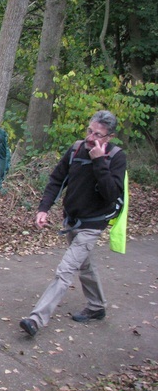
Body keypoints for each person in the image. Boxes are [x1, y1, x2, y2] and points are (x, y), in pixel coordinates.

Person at [19, 110, 127, 337]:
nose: (90, 137)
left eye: (98, 134)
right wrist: (43, 209)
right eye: (89, 130)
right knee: (85, 266)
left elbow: (111, 194)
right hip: (72, 220)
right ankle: (97, 307)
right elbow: (57, 179)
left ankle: (36, 319)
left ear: (108, 138)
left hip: (93, 225)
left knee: (65, 270)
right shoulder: (76, 149)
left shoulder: (116, 157)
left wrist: (99, 161)